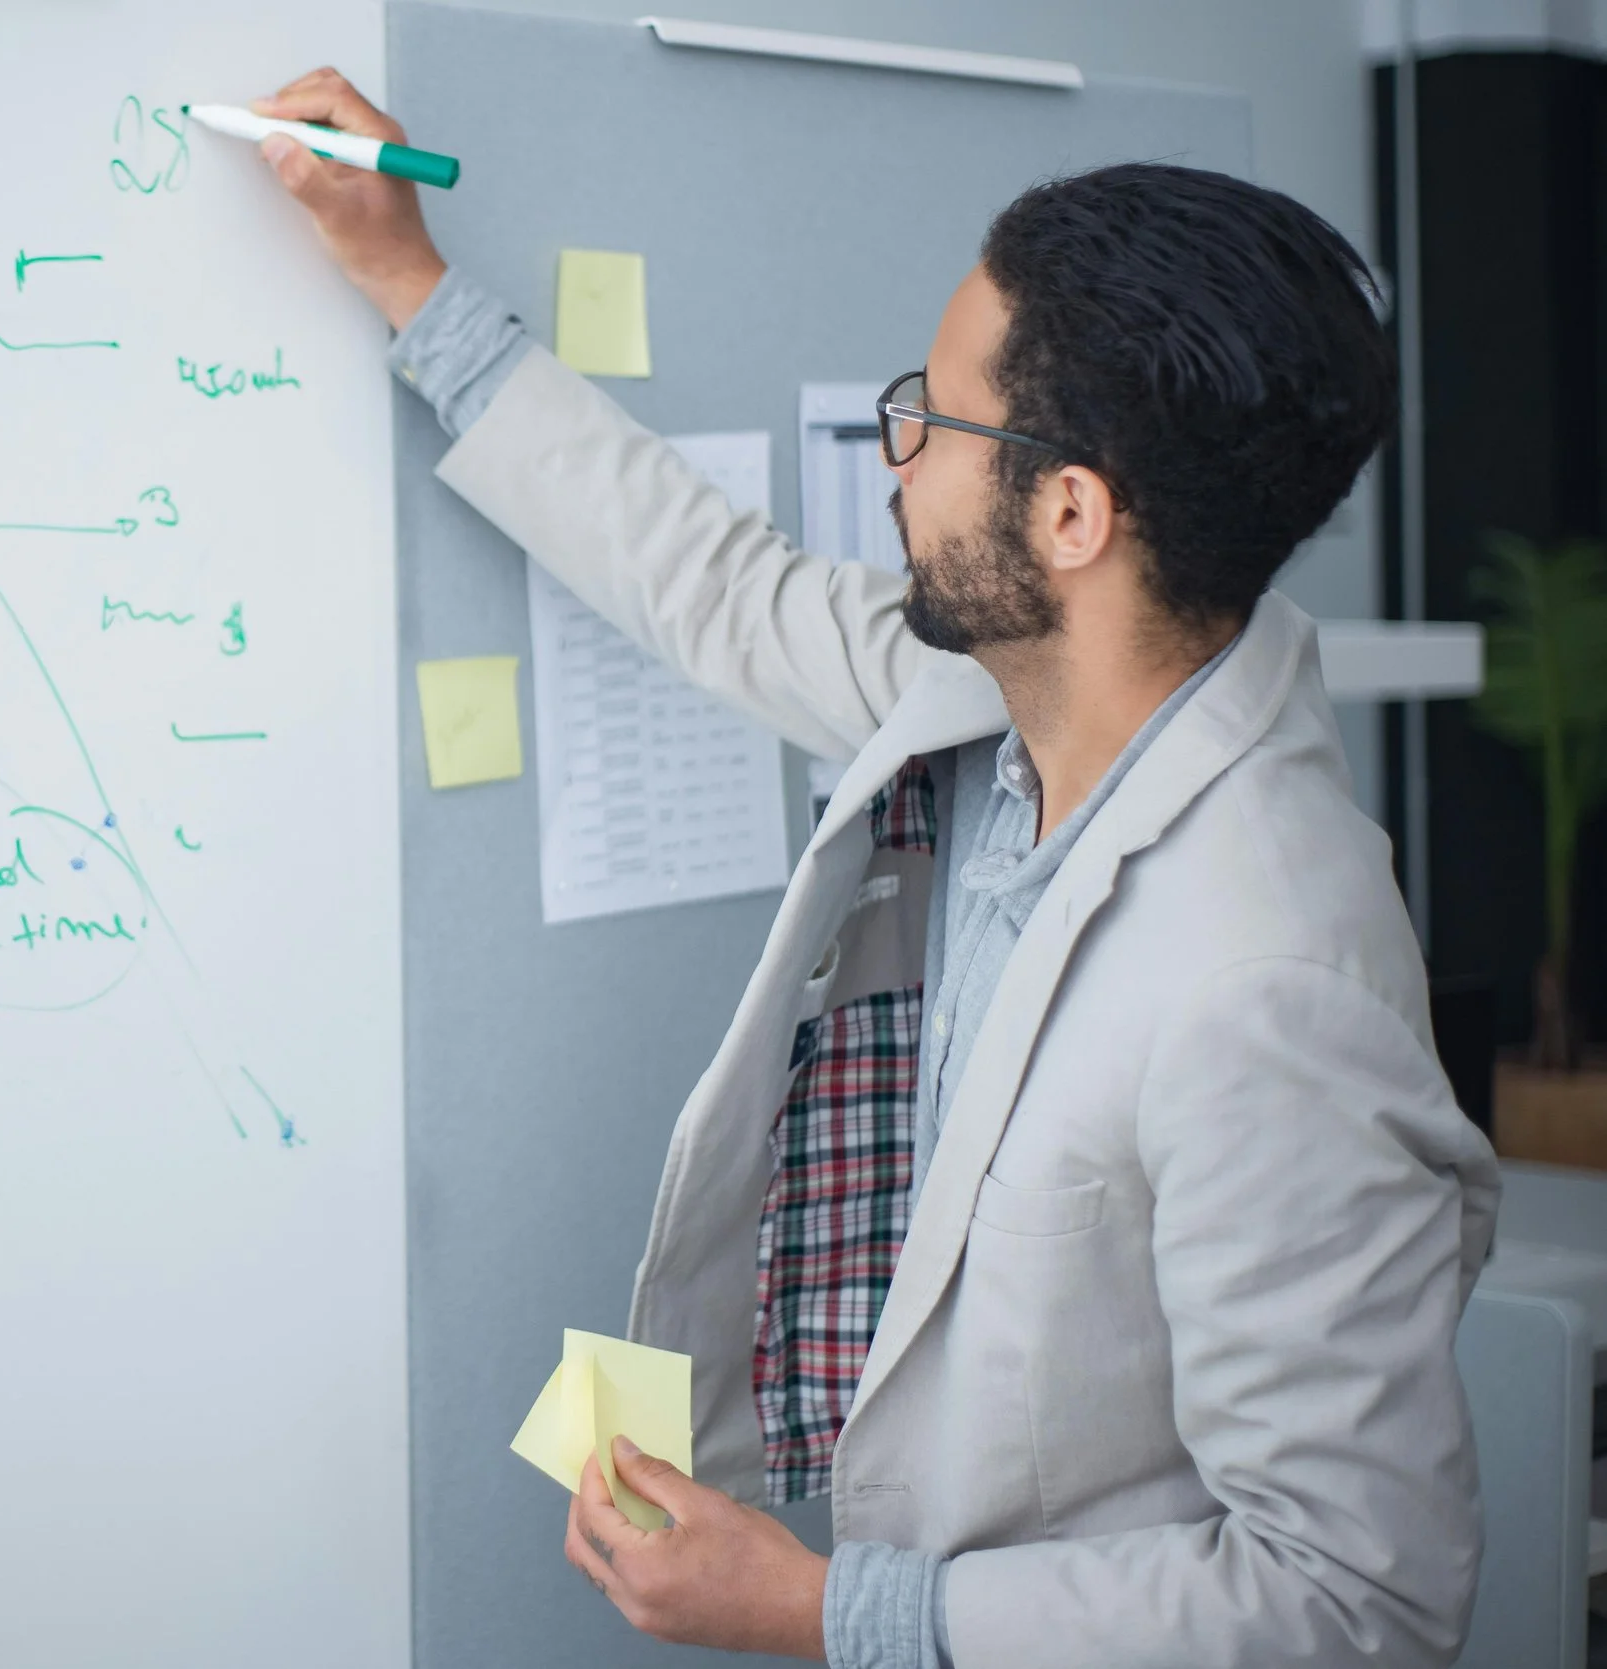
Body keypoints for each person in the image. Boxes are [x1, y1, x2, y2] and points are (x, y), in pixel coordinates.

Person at [247, 66, 1501, 1669]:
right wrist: (403, 277)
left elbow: (1358, 1603)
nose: (892, 458)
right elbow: (711, 580)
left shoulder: (1273, 980)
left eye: (925, 415)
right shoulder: (995, 697)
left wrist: (826, 1609)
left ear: (1068, 513)